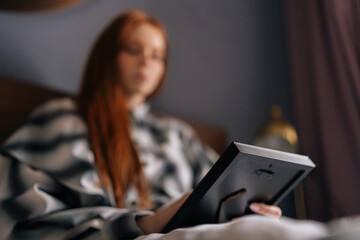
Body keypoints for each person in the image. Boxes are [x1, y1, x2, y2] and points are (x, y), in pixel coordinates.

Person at [0, 9, 281, 240]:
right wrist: (146, 223)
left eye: (157, 55)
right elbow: (26, 212)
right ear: (108, 55)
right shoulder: (65, 118)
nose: (146, 61)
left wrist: (248, 210)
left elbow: (222, 190)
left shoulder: (179, 135)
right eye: (134, 49)